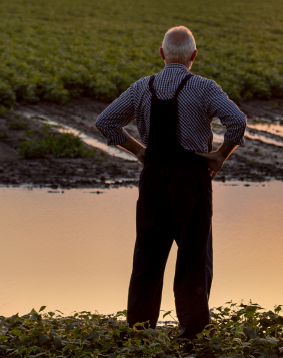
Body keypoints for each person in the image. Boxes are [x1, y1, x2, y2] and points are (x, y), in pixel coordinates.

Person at [94, 26, 246, 339]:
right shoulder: (204, 87)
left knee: (147, 256)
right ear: (194, 55)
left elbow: (105, 121)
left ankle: (140, 332)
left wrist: (138, 151)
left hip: (154, 178)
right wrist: (220, 156)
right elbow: (238, 121)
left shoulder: (142, 87)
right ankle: (191, 334)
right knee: (193, 255)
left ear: (162, 54)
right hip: (191, 179)